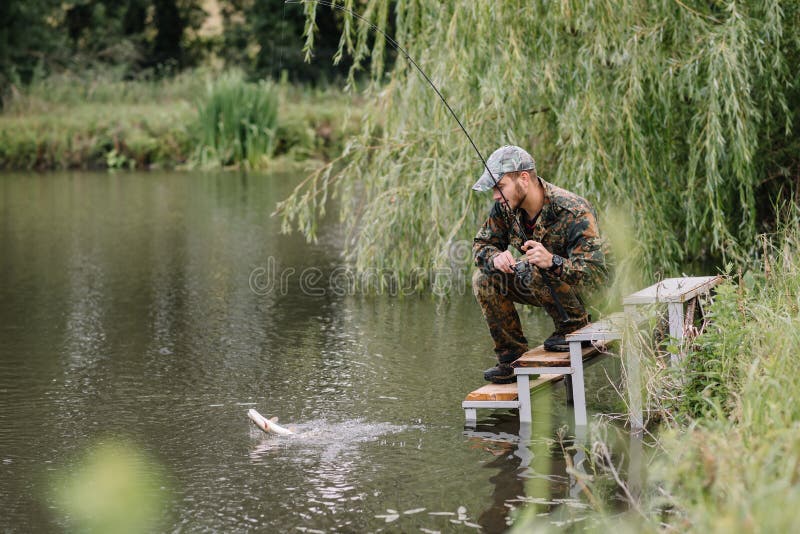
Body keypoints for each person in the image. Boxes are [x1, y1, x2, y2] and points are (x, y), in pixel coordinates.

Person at [471, 145, 611, 384]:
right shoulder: (505, 208)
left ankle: (574, 326)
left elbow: (597, 276)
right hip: (539, 285)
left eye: (500, 186)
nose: (495, 195)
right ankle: (511, 358)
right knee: (483, 278)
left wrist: (553, 262)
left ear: (523, 178)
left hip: (586, 295)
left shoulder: (572, 209)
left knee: (534, 265)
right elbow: (481, 245)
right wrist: (494, 256)